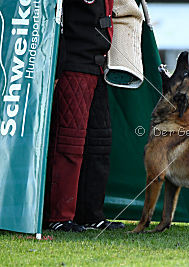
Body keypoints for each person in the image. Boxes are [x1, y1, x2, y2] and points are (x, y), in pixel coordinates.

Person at [44, 0, 124, 232]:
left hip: (98, 68)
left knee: (98, 144)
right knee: (69, 143)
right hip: (74, 66)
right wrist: (58, 67)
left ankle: (90, 215)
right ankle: (59, 216)